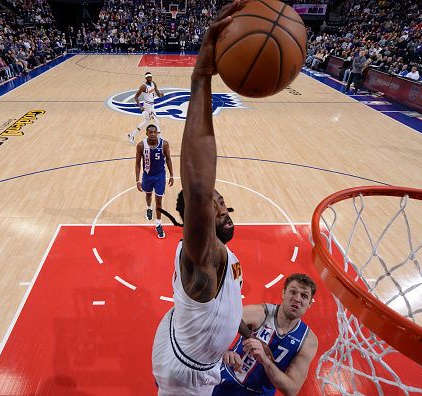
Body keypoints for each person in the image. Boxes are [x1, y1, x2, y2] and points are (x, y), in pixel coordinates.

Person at [151, 2, 248, 394]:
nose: (222, 208)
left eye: (222, 202)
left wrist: (243, 329)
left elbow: (229, 301)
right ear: (196, 217)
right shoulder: (200, 255)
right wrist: (201, 77)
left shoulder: (219, 255)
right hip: (186, 373)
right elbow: (198, 188)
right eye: (214, 205)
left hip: (190, 348)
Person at [212, 274, 319, 396]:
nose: (297, 299)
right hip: (227, 381)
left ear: (310, 303)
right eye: (293, 292)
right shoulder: (261, 313)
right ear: (284, 293)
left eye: (304, 296)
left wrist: (265, 360)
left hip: (261, 393)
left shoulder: (307, 341)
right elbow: (217, 322)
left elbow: (292, 389)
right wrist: (223, 351)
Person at [135, 124, 174, 238]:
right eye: (150, 132)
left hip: (160, 176)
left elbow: (168, 159)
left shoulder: (164, 144)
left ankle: (158, 224)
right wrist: (137, 180)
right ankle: (148, 208)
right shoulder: (141, 145)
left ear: (157, 133)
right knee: (148, 195)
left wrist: (171, 175)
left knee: (159, 201)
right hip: (147, 176)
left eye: (154, 132)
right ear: (146, 133)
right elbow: (137, 163)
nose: (152, 134)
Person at [127, 71, 164, 144]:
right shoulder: (143, 86)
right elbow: (136, 97)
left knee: (145, 122)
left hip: (152, 104)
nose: (150, 78)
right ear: (146, 78)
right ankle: (160, 140)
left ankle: (132, 135)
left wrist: (160, 95)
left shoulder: (153, 83)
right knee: (157, 121)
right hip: (148, 105)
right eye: (148, 77)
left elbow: (158, 93)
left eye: (150, 77)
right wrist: (140, 106)